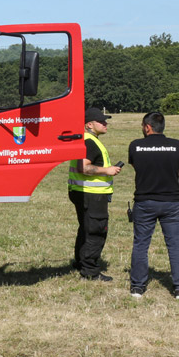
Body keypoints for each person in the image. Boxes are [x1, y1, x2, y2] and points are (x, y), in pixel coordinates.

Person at [127, 112, 179, 299]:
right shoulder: (177, 145)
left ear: (147, 127)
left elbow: (137, 167)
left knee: (141, 244)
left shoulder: (136, 145)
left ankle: (137, 287)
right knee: (175, 245)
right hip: (172, 202)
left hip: (144, 201)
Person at [68, 107, 122, 281]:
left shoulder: (85, 139)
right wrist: (108, 170)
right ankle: (90, 271)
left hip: (82, 192)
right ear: (89, 124)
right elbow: (83, 167)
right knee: (96, 230)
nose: (106, 123)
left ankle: (80, 262)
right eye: (101, 121)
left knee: (85, 228)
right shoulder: (89, 141)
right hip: (92, 194)